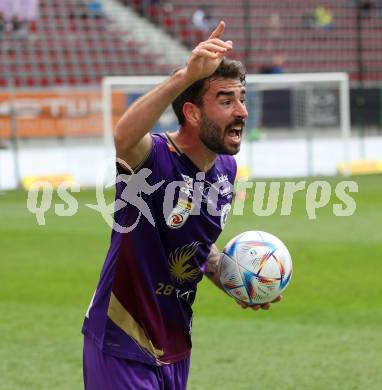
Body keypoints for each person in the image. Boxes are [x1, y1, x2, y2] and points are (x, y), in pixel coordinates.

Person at [82, 21, 282, 389]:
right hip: (123, 341)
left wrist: (236, 278)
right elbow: (125, 136)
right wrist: (185, 75)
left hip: (175, 345)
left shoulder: (226, 169)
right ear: (192, 113)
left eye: (242, 99)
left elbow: (198, 249)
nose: (242, 112)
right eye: (227, 100)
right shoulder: (153, 157)